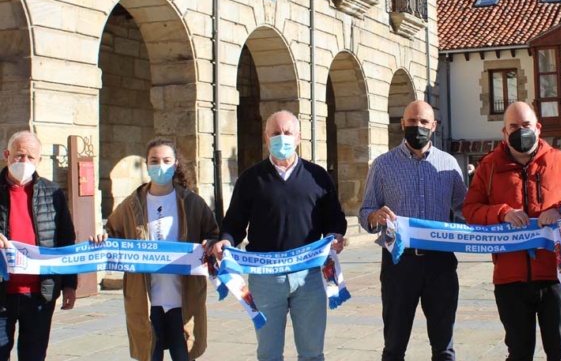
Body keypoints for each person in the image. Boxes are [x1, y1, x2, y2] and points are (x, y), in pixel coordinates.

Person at [207, 110, 346, 361]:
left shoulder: (318, 177)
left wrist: (337, 234)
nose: (282, 138)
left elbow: (334, 217)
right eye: (276, 133)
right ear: (266, 136)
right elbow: (234, 221)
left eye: (288, 133)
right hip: (265, 277)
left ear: (299, 137)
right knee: (269, 353)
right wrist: (226, 239)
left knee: (312, 352)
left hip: (309, 276)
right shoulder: (251, 178)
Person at [463, 102, 561, 361]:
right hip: (509, 278)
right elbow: (470, 210)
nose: (520, 131)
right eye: (514, 126)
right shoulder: (488, 166)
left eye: (525, 125)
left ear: (537, 128)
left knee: (560, 352)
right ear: (504, 132)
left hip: (556, 276)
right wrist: (502, 213)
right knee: (519, 353)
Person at [359, 100, 467, 361]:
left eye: (423, 122)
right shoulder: (383, 165)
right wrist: (376, 215)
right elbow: (365, 213)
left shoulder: (449, 165)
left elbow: (465, 209)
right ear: (402, 124)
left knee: (443, 346)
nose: (417, 126)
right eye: (411, 121)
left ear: (433, 126)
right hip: (399, 262)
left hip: (440, 262)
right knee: (394, 345)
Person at [92, 139, 219, 361]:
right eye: (155, 160)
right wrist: (104, 237)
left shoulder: (192, 203)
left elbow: (213, 234)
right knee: (150, 354)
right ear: (147, 164)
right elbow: (113, 232)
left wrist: (210, 244)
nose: (160, 166)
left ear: (175, 164)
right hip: (146, 299)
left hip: (183, 298)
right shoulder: (132, 204)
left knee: (184, 354)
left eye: (166, 161)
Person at [0, 131, 78, 361]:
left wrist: (70, 285)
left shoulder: (52, 192)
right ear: (7, 155)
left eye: (30, 158)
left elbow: (66, 238)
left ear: (39, 161)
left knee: (34, 356)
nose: (24, 162)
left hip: (40, 294)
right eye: (19, 155)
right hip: (2, 294)